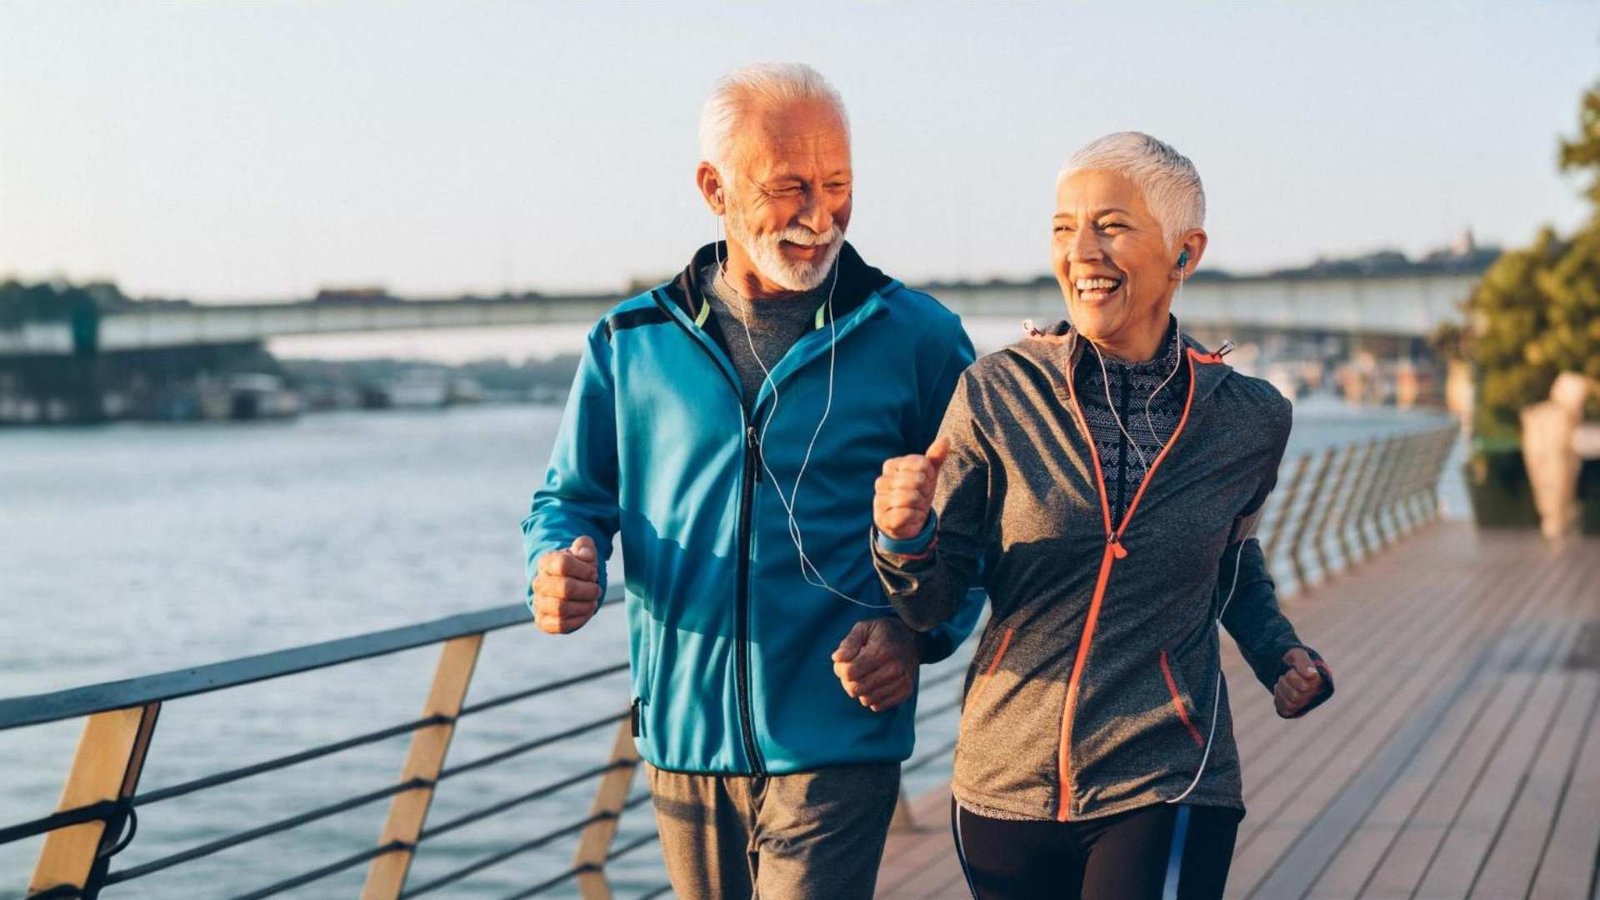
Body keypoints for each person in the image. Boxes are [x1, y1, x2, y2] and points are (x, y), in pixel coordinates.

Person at [521, 63, 983, 899]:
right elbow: (569, 500)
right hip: (683, 744)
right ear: (714, 188)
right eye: (789, 187)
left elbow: (985, 524)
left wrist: (919, 636)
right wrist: (560, 562)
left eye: (838, 184)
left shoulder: (919, 338)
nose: (819, 213)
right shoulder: (629, 342)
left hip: (840, 735)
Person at [870, 132, 1334, 900]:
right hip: (1003, 784)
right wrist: (904, 534)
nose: (1081, 250)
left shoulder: (1252, 419)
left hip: (1169, 772)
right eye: (1063, 228)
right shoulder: (993, 393)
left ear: (1184, 252)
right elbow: (934, 601)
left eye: (1111, 226)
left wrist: (1279, 653)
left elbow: (1229, 560)